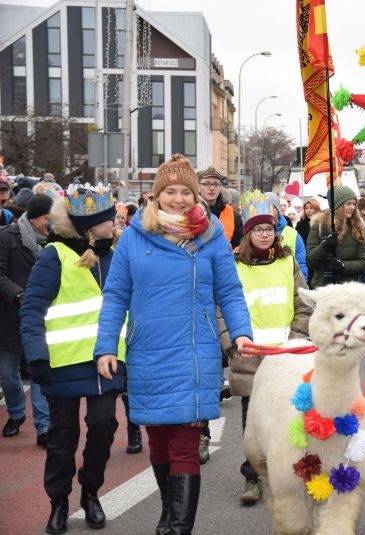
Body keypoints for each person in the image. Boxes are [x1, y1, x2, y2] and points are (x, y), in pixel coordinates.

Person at [93, 155, 252, 534]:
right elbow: (115, 294)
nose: (178, 199)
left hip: (194, 351)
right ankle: (169, 516)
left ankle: (179, 527)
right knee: (159, 442)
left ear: (196, 194)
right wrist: (106, 346)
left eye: (185, 191)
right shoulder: (134, 235)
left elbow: (229, 290)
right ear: (156, 194)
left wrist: (241, 330)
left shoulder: (210, 233)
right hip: (147, 351)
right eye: (170, 191)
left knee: (183, 443)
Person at [20, 184, 125, 534]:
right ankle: (59, 500)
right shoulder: (55, 255)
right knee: (62, 436)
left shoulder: (116, 254)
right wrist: (37, 358)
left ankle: (91, 491)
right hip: (61, 362)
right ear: (90, 227)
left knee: (104, 426)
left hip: (107, 360)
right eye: (110, 220)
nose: (116, 224)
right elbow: (33, 308)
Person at [226, 190, 311, 505]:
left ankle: (291, 471)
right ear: (248, 232)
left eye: (269, 228)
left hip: (286, 356)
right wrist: (233, 342)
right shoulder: (234, 264)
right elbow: (223, 307)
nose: (264, 234)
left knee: (292, 416)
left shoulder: (287, 261)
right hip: (250, 356)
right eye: (258, 229)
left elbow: (303, 303)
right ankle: (253, 476)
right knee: (253, 421)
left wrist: (299, 338)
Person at [0, 194, 52, 446]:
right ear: (33, 217)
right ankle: (16, 413)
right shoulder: (6, 237)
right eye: (46, 218)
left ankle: (44, 427)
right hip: (9, 316)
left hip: (40, 318)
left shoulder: (54, 242)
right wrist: (18, 293)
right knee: (8, 374)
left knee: (39, 372)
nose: (49, 223)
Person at [305, 185, 365, 288]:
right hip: (323, 289)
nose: (352, 207)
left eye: (354, 204)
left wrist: (343, 266)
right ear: (337, 206)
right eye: (348, 204)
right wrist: (324, 246)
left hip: (349, 289)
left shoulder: (357, 228)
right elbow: (310, 261)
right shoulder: (320, 225)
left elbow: (364, 262)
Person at [197, 166, 243, 248]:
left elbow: (238, 247)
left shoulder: (233, 215)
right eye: (207, 184)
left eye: (216, 184)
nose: (212, 188)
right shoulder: (190, 212)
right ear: (198, 187)